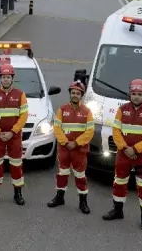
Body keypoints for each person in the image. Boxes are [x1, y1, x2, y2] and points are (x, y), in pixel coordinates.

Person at [103, 78, 142, 232]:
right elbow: (116, 131)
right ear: (130, 94)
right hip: (123, 154)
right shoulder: (122, 110)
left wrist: (135, 149)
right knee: (119, 182)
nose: (136, 97)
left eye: (139, 94)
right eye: (134, 94)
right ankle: (118, 210)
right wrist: (125, 148)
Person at [0, 63, 29, 205]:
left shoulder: (20, 94)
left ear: (12, 78)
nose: (6, 79)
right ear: (0, 78)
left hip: (14, 137)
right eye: (3, 77)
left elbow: (24, 116)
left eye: (8, 77)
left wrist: (12, 132)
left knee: (16, 165)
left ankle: (18, 194)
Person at [47, 81, 94, 214]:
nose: (75, 95)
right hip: (65, 148)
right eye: (73, 93)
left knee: (80, 176)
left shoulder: (87, 112)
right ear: (70, 94)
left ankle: (83, 202)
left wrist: (76, 143)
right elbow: (57, 128)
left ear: (81, 95)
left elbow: (90, 131)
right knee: (62, 174)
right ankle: (59, 198)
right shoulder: (62, 110)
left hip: (79, 150)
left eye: (78, 93)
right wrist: (66, 142)